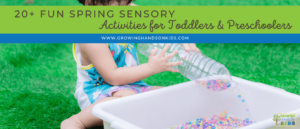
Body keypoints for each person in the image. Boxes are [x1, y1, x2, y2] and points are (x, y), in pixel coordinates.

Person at [60, 1, 201, 129]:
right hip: (99, 90)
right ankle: (77, 121)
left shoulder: (123, 7)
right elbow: (113, 77)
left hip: (131, 85)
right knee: (129, 99)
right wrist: (151, 67)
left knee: (169, 96)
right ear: (90, 3)